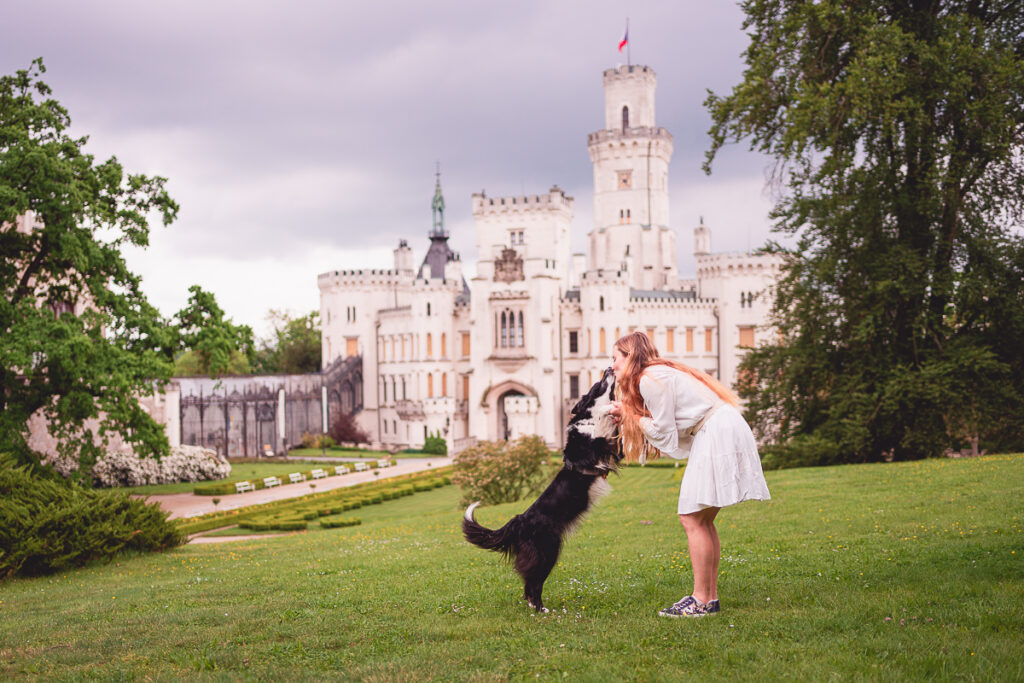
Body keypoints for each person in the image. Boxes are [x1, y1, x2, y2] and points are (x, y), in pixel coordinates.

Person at [608, 332, 770, 617]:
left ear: (629, 356)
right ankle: (709, 598)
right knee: (702, 520)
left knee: (691, 518)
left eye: (615, 359)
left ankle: (700, 599)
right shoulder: (657, 374)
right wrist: (632, 413)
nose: (612, 366)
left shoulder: (649, 379)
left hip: (716, 430)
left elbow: (663, 431)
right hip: (720, 427)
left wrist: (630, 415)